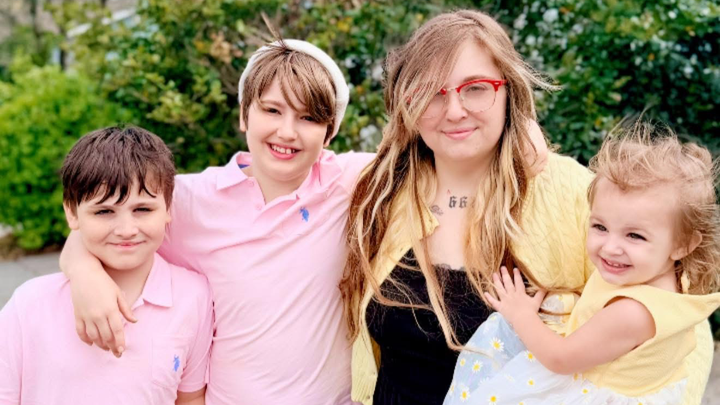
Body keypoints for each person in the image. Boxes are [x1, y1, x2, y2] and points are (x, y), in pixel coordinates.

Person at [339, 10, 713, 405]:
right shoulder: (380, 193)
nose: (454, 111)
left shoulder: (576, 195)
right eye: (431, 91)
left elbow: (676, 329)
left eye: (476, 88)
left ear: (509, 91)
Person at [59, 39, 374, 404]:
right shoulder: (188, 199)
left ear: (330, 131)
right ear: (244, 115)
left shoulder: (353, 182)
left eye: (308, 118)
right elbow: (98, 228)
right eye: (272, 110)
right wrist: (85, 274)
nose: (287, 131)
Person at [444, 123, 720, 405]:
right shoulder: (664, 273)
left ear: (683, 244)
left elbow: (559, 358)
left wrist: (522, 314)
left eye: (634, 235)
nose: (609, 247)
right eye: (600, 226)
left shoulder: (631, 313)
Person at [0, 126, 213, 405]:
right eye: (104, 211)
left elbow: (190, 398)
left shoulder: (193, 296)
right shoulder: (30, 304)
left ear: (168, 208)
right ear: (72, 213)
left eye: (142, 209)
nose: (126, 230)